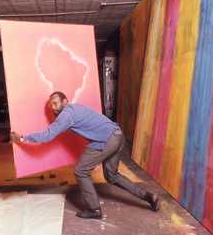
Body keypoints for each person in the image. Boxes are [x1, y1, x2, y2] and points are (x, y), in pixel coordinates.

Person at [10, 91, 159, 220]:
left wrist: (22, 138)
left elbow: (47, 136)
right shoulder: (75, 109)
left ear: (65, 101)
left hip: (106, 140)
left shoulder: (66, 115)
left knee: (80, 171)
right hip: (117, 135)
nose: (53, 108)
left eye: (55, 103)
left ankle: (94, 209)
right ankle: (149, 197)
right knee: (112, 176)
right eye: (51, 106)